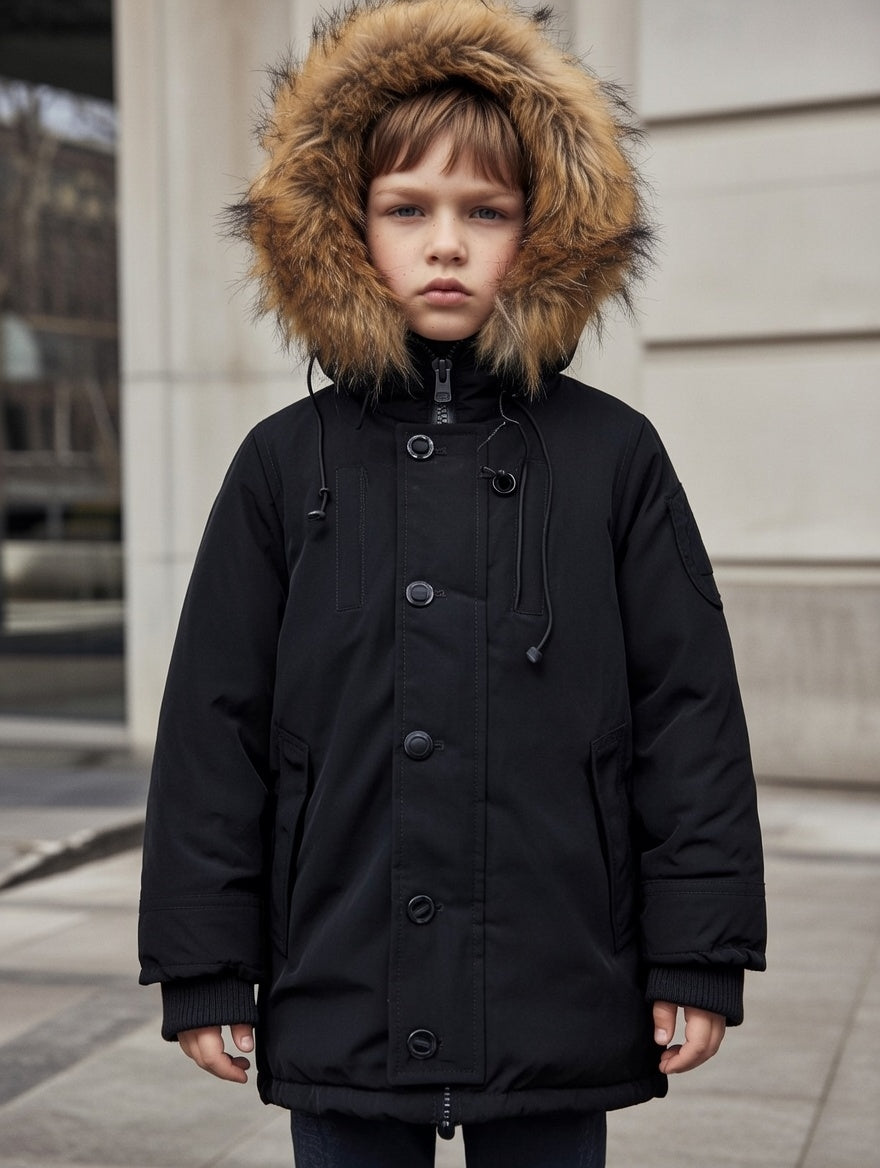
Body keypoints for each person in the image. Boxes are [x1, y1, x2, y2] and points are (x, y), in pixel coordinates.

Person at [138, 2, 767, 1165]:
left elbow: (686, 713)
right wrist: (206, 961)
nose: (445, 245)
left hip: (555, 979)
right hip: (343, 974)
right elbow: (214, 724)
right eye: (406, 209)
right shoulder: (284, 464)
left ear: (546, 228)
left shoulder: (612, 457)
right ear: (344, 225)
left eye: (485, 212)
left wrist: (697, 950)